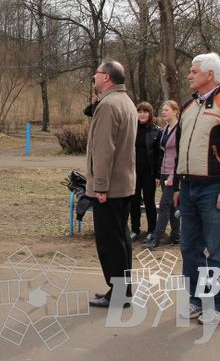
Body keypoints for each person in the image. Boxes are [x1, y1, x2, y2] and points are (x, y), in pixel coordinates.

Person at [173, 53, 220, 325]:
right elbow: (179, 148)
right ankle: (196, 299)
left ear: (210, 75)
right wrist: (178, 184)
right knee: (189, 249)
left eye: (194, 71)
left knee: (217, 251)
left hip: (214, 189)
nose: (189, 75)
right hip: (189, 187)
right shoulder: (188, 106)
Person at [85, 59, 138, 308]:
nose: (93, 77)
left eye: (96, 74)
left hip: (110, 186)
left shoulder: (108, 105)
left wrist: (101, 185)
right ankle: (123, 290)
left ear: (106, 77)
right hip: (124, 182)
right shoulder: (125, 101)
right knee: (121, 238)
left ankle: (118, 293)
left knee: (109, 241)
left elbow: (104, 149)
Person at [144, 100, 181, 249]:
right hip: (164, 171)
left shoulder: (180, 129)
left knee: (164, 205)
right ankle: (176, 235)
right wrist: (160, 175)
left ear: (175, 111)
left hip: (174, 172)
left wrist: (173, 175)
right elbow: (162, 152)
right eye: (163, 110)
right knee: (172, 205)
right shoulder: (165, 129)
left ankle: (156, 237)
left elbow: (179, 153)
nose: (163, 112)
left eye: (166, 110)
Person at [130, 102, 161, 243]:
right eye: (139, 111)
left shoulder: (156, 131)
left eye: (145, 112)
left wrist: (158, 175)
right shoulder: (131, 129)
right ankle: (135, 230)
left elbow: (160, 155)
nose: (142, 114)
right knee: (134, 201)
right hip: (133, 172)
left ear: (150, 114)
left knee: (149, 202)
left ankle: (151, 230)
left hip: (149, 172)